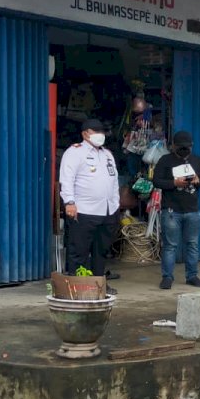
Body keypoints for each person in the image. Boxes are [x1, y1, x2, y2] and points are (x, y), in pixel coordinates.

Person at [59, 118, 121, 295]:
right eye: (96, 131)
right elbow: (67, 179)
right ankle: (77, 286)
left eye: (101, 131)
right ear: (85, 134)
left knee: (101, 251)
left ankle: (99, 284)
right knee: (79, 251)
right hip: (84, 210)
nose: (100, 135)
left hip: (107, 210)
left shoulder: (107, 154)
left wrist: (115, 204)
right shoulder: (74, 152)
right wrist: (69, 202)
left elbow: (113, 180)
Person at [152, 131, 200, 290]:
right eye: (181, 147)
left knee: (192, 244)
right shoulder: (165, 160)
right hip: (172, 211)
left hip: (192, 210)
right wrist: (174, 183)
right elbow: (156, 181)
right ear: (173, 146)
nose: (185, 150)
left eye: (187, 147)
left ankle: (192, 276)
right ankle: (167, 277)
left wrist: (198, 181)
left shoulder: (197, 160)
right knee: (170, 246)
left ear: (192, 146)